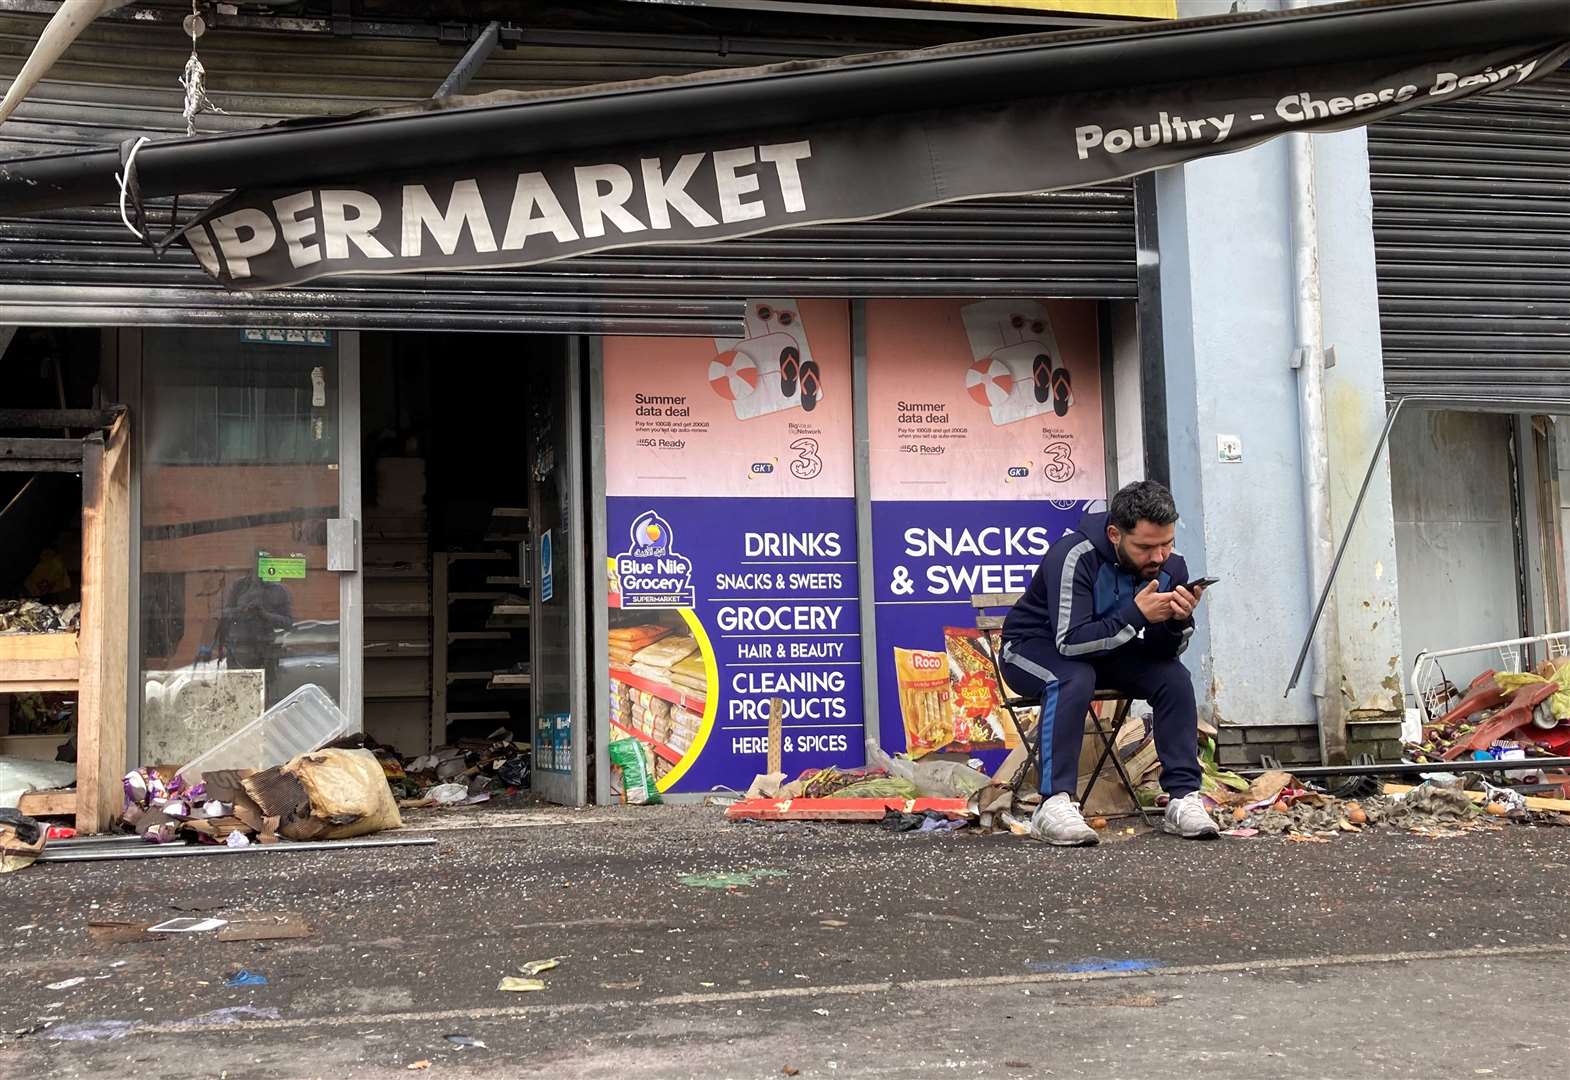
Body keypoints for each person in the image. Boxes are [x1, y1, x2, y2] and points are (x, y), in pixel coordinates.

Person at [1000, 480, 1217, 845]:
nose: (1159, 557)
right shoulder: (1074, 556)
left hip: (1105, 650)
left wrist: (1179, 621)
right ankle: (1054, 803)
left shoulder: (1170, 566)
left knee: (1174, 677)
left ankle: (1183, 798)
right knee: (1073, 676)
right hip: (1031, 649)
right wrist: (1135, 615)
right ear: (1115, 534)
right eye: (1146, 547)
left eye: (1167, 543)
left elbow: (1163, 652)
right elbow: (1069, 642)